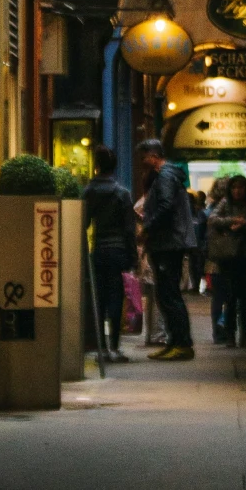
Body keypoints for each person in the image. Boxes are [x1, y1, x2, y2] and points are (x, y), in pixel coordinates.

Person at [138, 138, 196, 359]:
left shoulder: (165, 177)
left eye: (144, 157)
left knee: (169, 294)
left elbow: (165, 207)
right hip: (170, 242)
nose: (142, 162)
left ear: (153, 156)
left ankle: (181, 343)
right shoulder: (168, 176)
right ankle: (176, 341)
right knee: (167, 293)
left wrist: (147, 228)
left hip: (168, 243)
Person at [83, 146, 138, 361]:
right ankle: (114, 346)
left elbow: (83, 222)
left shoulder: (89, 192)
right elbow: (129, 229)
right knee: (116, 297)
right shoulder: (122, 193)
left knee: (99, 299)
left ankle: (101, 348)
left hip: (99, 250)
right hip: (118, 251)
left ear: (96, 166)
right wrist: (133, 257)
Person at [207, 176, 246, 347]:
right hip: (229, 257)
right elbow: (213, 219)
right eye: (234, 187)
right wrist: (234, 221)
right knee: (230, 297)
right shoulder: (225, 204)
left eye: (240, 187)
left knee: (245, 297)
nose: (237, 191)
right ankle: (230, 334)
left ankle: (244, 333)